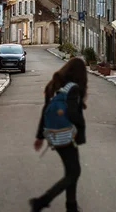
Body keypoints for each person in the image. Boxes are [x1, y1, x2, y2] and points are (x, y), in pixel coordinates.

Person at [30, 57, 88, 212]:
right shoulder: (73, 88)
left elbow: (45, 110)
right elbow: (73, 113)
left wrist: (40, 136)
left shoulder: (55, 84)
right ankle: (42, 201)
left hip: (55, 135)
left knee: (71, 171)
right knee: (74, 172)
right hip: (68, 135)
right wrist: (81, 126)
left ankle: (71, 206)